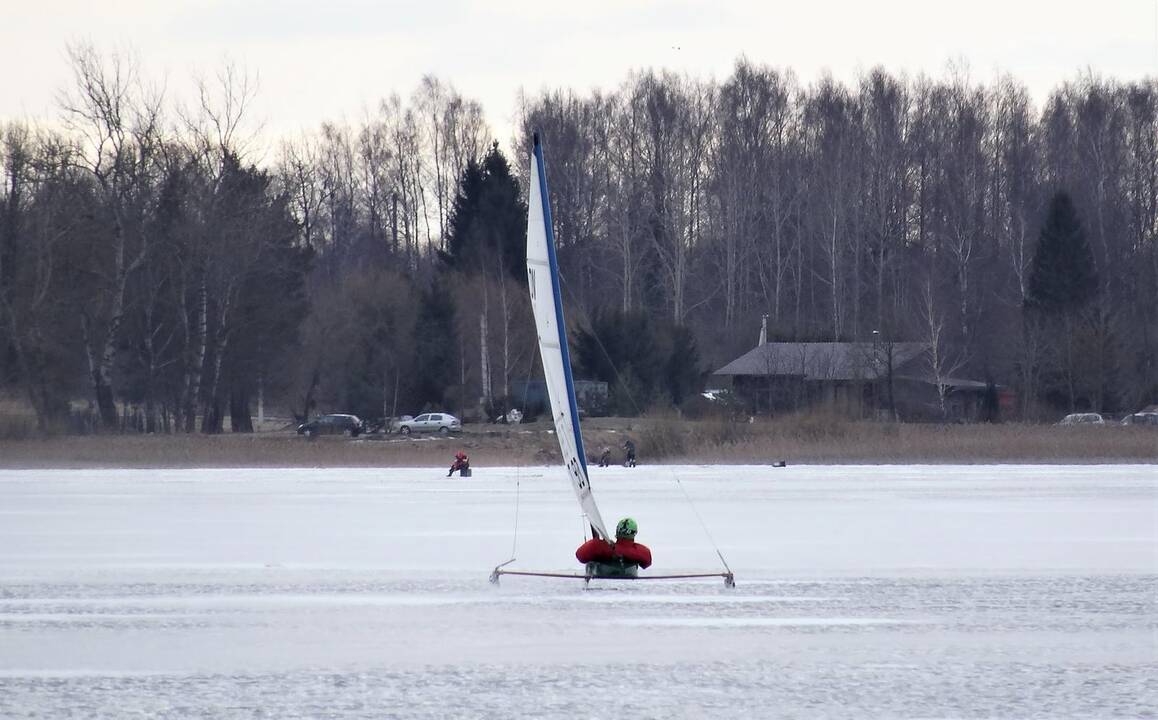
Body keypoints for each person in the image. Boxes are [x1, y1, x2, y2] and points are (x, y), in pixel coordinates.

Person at [575, 517, 652, 577]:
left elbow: (580, 555)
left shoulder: (600, 546)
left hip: (602, 574)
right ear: (634, 533)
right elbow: (647, 563)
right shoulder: (641, 551)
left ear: (617, 531)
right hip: (628, 574)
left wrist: (608, 547)